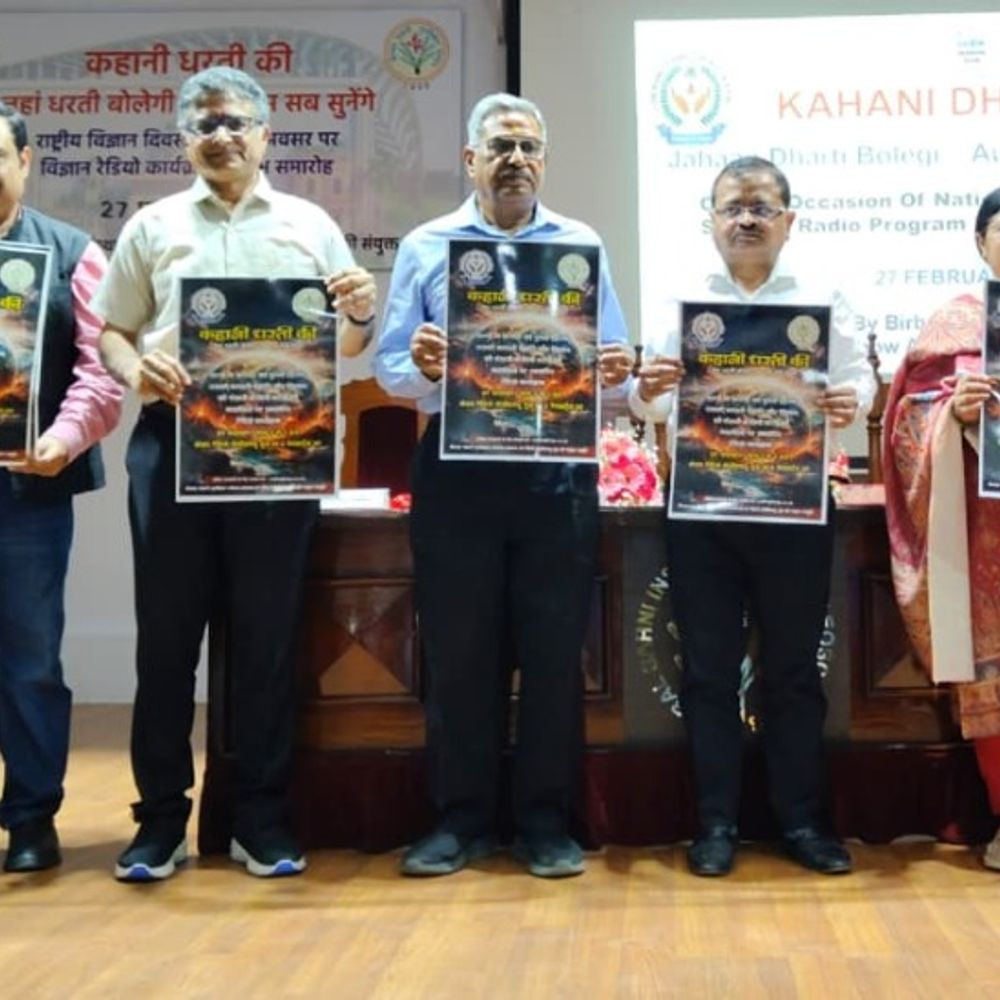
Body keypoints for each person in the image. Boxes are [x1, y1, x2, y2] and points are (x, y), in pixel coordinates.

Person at [93, 67, 376, 881]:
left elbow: (347, 345)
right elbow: (112, 331)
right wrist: (137, 369)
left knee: (265, 643)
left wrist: (360, 311)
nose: (222, 136)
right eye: (205, 125)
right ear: (186, 141)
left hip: (276, 454)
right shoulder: (152, 226)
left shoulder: (309, 225)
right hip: (172, 448)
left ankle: (260, 817)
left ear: (265, 135)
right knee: (166, 644)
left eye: (236, 122)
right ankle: (159, 823)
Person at [375, 92, 633, 878]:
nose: (514, 159)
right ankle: (461, 822)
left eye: (527, 147)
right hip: (457, 475)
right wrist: (422, 368)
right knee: (460, 654)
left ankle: (546, 825)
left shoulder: (580, 244)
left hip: (555, 473)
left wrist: (616, 371)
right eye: (499, 146)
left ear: (544, 160)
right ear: (471, 160)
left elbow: (616, 369)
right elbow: (390, 367)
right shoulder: (427, 245)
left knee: (553, 655)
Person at [632, 156, 874, 876]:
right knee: (707, 671)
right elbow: (652, 404)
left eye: (761, 208)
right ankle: (715, 824)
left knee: (794, 671)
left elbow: (858, 382)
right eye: (732, 207)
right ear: (710, 220)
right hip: (703, 511)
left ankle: (801, 822)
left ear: (788, 221)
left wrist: (850, 401)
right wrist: (648, 388)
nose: (745, 219)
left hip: (794, 509)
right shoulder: (681, 300)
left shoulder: (823, 298)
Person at [0, 101, 123, 872]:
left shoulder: (73, 253)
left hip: (26, 489)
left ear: (24, 160)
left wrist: (64, 438)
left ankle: (31, 818)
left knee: (28, 657)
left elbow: (100, 373)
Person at [883, 187, 1000, 872]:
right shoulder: (954, 326)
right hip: (985, 532)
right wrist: (953, 417)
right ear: (980, 242)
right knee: (995, 678)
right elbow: (908, 420)